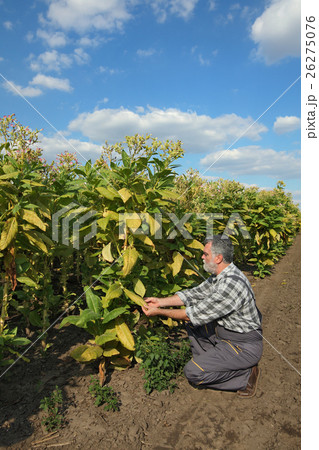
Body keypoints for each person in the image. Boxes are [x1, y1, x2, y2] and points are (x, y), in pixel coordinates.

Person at [142, 234, 263, 398]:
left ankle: (245, 376)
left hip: (242, 347)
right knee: (196, 321)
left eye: (206, 254)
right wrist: (160, 302)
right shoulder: (221, 275)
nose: (202, 257)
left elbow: (190, 315)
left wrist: (158, 312)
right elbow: (193, 295)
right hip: (225, 336)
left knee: (193, 373)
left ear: (218, 258)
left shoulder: (231, 284)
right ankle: (210, 362)